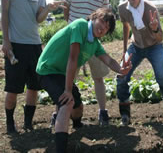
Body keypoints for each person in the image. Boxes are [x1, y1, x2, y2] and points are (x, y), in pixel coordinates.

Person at [36, 8, 132, 153]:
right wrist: (68, 90)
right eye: (102, 22)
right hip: (47, 69)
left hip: (60, 74)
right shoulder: (80, 25)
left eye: (106, 28)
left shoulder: (94, 44)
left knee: (78, 108)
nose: (103, 28)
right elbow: (73, 58)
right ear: (94, 17)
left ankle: (77, 126)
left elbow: (108, 60)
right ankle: (61, 148)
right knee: (66, 103)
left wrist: (121, 69)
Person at [0, 0, 65, 133]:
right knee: (12, 88)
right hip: (16, 43)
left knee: (34, 87)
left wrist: (48, 8)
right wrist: (6, 40)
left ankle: (28, 123)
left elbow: (39, 18)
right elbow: (4, 12)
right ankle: (10, 123)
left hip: (35, 45)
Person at [116, 0, 163, 125]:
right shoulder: (122, 8)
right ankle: (125, 113)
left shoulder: (151, 9)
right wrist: (125, 51)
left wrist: (155, 29)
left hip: (154, 46)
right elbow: (125, 26)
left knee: (162, 76)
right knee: (121, 74)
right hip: (136, 46)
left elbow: (160, 37)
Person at [62, 0, 111, 125]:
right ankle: (59, 113)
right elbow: (65, 9)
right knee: (68, 78)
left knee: (98, 76)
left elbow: (106, 17)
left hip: (92, 42)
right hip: (74, 39)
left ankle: (103, 112)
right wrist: (71, 25)